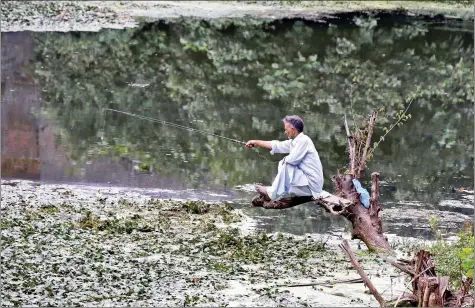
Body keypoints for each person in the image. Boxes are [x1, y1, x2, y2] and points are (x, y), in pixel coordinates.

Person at [245, 115, 324, 202]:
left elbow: (292, 160)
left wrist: (284, 161)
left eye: (286, 129)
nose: (285, 132)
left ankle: (270, 194)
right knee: (285, 163)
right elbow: (277, 145)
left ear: (293, 129)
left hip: (312, 186)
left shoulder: (304, 140)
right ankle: (281, 193)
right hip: (306, 183)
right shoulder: (294, 142)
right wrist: (256, 142)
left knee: (286, 163)